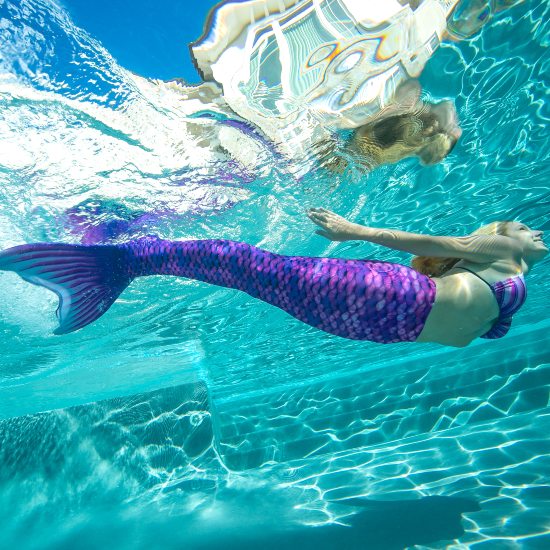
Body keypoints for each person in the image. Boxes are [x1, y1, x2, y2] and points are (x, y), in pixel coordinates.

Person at [0, 208, 545, 347]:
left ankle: (124, 258)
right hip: (387, 309)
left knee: (250, 271)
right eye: (523, 226)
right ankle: (126, 256)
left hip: (382, 320)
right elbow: (428, 247)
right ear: (501, 234)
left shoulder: (507, 276)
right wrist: (356, 231)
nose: (533, 232)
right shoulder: (499, 250)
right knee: (248, 267)